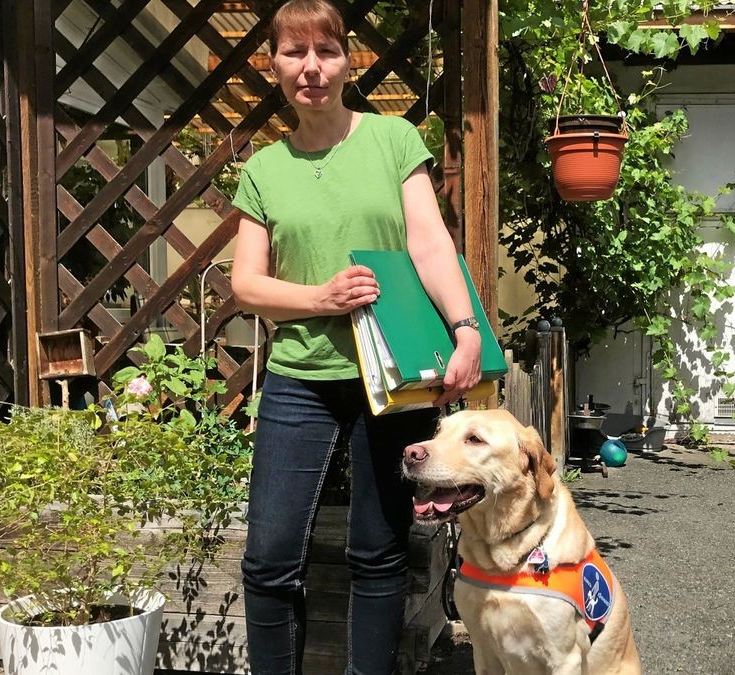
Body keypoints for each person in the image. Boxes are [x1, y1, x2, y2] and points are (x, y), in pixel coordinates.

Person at [230, 1, 481, 673]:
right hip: (299, 380)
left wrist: (464, 330)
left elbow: (431, 244)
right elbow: (246, 284)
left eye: (326, 50)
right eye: (293, 51)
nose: (311, 66)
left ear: (349, 60)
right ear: (273, 64)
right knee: (270, 558)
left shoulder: (392, 140)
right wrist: (319, 297)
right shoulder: (263, 169)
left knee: (379, 552)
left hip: (394, 376)